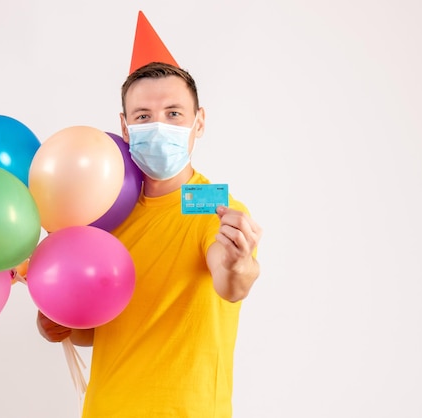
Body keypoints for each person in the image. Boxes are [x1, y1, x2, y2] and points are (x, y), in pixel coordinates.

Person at [37, 61, 262, 417]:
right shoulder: (102, 215)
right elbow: (95, 331)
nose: (159, 127)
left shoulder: (216, 210)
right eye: (143, 116)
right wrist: (58, 320)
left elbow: (231, 284)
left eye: (174, 113)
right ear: (125, 127)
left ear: (199, 121)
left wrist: (241, 265)